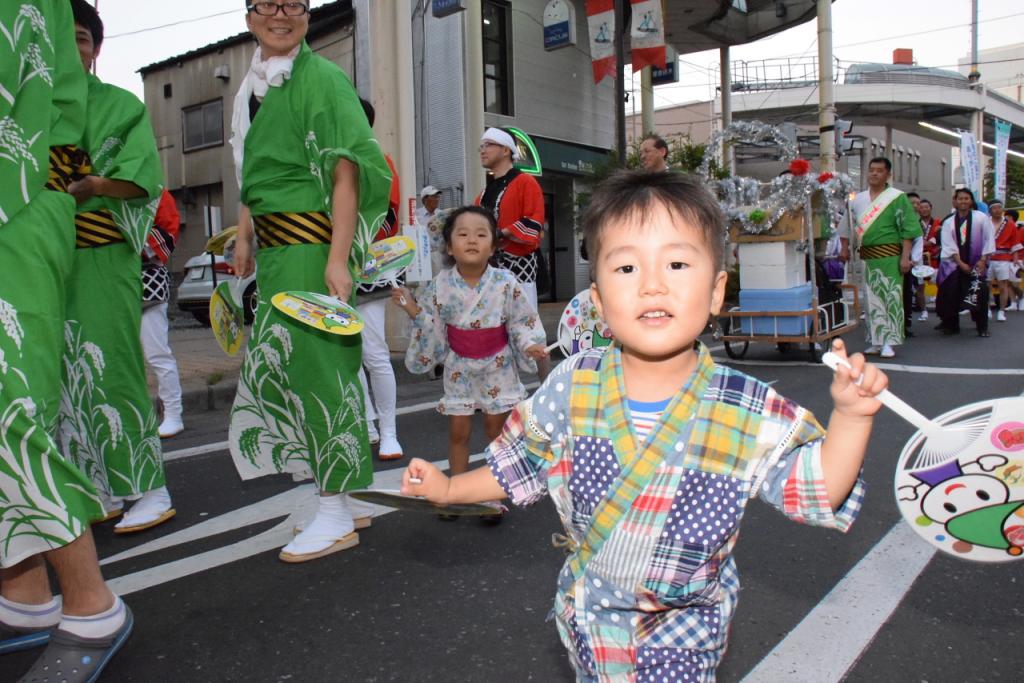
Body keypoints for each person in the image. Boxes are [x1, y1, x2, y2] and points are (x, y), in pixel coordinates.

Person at [400, 170, 888, 680]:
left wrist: (852, 417)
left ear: (717, 290)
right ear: (598, 302)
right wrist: (450, 487)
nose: (653, 283)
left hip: (683, 631)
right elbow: (519, 463)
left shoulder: (744, 405)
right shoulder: (574, 383)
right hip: (588, 617)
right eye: (627, 267)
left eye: (677, 263)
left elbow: (817, 489)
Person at [228, 0, 391, 563]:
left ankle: (334, 508)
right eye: (267, 4)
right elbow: (251, 173)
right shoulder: (248, 86)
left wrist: (338, 258)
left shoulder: (322, 77)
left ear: (306, 14)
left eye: (292, 3)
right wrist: (245, 237)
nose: (280, 14)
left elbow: (346, 169)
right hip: (276, 253)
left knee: (322, 372)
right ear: (249, 15)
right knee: (295, 372)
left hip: (310, 249)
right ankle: (343, 498)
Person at [0, 1, 133, 679]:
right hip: (42, 202)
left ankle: (90, 598)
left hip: (27, 201)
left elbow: (137, 187)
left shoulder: (123, 107)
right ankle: (23, 590)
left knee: (13, 399)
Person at [59, 0, 175, 533]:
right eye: (62, 36)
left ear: (97, 48)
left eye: (81, 37)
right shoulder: (24, 107)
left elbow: (143, 179)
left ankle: (149, 487)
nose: (72, 46)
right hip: (42, 259)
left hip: (102, 255)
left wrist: (98, 185)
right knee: (60, 376)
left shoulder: (119, 104)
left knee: (114, 368)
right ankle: (94, 487)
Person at [392, 206, 547, 503]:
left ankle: (492, 493)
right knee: (458, 432)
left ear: (493, 246)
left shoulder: (505, 282)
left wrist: (529, 346)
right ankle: (457, 492)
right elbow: (432, 326)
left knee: (495, 431)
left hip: (498, 365)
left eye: (481, 234)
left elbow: (522, 321)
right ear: (449, 246)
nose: (472, 240)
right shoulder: (439, 285)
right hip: (459, 366)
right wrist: (411, 308)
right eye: (462, 234)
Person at [474, 127, 549, 378]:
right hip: (491, 266)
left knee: (527, 325)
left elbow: (534, 222)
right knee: (493, 327)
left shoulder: (526, 182)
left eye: (489, 144)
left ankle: (545, 386)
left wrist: (501, 233)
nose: (482, 150)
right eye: (481, 146)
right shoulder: (485, 191)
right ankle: (501, 387)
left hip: (519, 263)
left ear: (506, 150)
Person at [353, 98, 403, 461]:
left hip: (367, 265)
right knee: (347, 357)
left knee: (373, 353)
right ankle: (365, 421)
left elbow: (388, 220)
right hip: (332, 266)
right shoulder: (323, 161)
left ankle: (388, 429)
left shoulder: (378, 160)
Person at [840, 157, 917, 358]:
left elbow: (908, 229)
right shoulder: (858, 199)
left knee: (890, 297)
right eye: (871, 170)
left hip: (890, 255)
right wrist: (845, 248)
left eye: (879, 170)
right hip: (866, 256)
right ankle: (875, 340)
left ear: (888, 174)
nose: (874, 173)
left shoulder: (897, 197)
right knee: (869, 301)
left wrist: (905, 257)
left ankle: (889, 342)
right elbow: (847, 225)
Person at [141, 190, 185, 438]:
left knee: (156, 352)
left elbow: (169, 232)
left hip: (148, 282)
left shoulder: (157, 193)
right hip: (114, 280)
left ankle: (173, 414)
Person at [936, 188, 995, 337]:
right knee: (950, 294)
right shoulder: (949, 221)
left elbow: (989, 239)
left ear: (971, 201)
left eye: (966, 198)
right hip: (954, 265)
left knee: (979, 293)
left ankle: (982, 327)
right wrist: (960, 263)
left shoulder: (981, 217)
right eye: (960, 198)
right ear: (955, 201)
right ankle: (951, 325)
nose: (963, 201)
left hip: (977, 263)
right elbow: (948, 245)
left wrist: (982, 260)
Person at [988, 200, 1022, 321]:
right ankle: (987, 309)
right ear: (990, 210)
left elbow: (1015, 242)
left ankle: (1001, 311)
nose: (997, 210)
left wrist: (1016, 258)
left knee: (1003, 286)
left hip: (1003, 258)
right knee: (986, 286)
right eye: (994, 208)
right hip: (987, 258)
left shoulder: (1010, 224)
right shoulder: (985, 223)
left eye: (999, 207)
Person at [916, 198, 941, 322]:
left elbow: (938, 240)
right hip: (920, 258)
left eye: (927, 207)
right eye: (922, 207)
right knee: (920, 286)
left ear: (931, 208)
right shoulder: (915, 224)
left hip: (935, 258)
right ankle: (923, 311)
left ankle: (942, 308)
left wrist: (928, 242)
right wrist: (927, 243)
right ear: (918, 209)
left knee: (940, 284)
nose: (924, 209)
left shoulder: (938, 223)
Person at [415, 185, 445, 276]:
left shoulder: (441, 214)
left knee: (438, 281)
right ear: (424, 199)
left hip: (437, 253)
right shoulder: (416, 215)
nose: (437, 199)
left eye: (437, 197)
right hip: (421, 254)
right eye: (433, 196)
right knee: (422, 283)